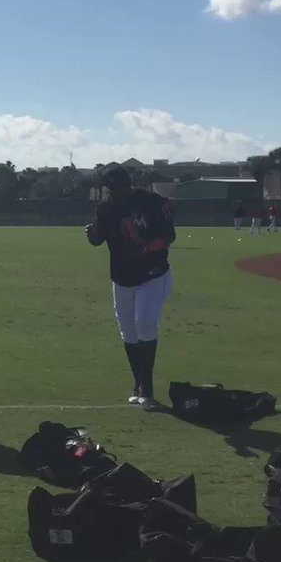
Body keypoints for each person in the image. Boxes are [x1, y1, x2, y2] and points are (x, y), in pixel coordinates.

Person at [86, 165, 176, 411]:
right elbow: (98, 238)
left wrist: (148, 247)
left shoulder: (152, 202)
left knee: (145, 324)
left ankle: (146, 389)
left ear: (128, 182)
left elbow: (169, 235)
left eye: (118, 187)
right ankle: (139, 384)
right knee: (127, 330)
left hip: (152, 273)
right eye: (111, 188)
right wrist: (92, 235)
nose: (115, 192)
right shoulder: (106, 208)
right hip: (121, 276)